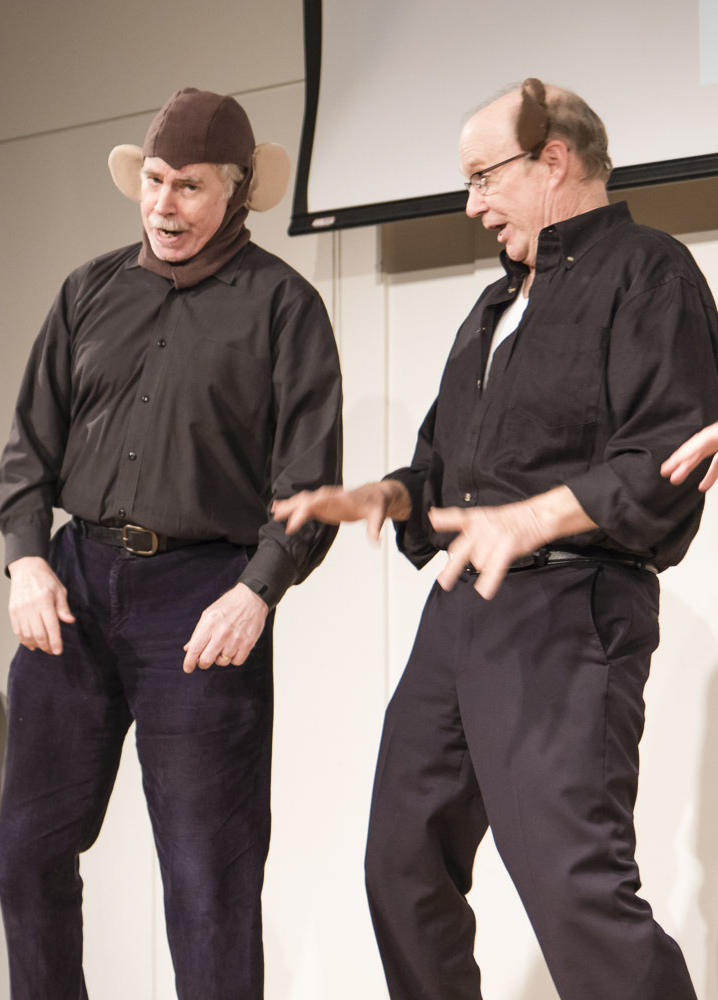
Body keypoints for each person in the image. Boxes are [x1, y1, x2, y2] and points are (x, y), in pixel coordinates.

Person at [274, 79, 718, 999]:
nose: (471, 204)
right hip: (463, 615)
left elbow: (668, 455)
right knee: (402, 864)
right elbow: (446, 468)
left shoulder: (649, 271)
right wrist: (385, 496)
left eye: (484, 177)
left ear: (553, 158)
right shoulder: (494, 308)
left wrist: (532, 516)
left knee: (572, 887)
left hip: (571, 608)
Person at [0, 87, 343, 998]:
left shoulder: (283, 307)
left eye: (188, 186)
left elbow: (307, 484)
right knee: (26, 852)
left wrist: (258, 590)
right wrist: (27, 557)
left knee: (207, 878)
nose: (164, 205)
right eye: (153, 182)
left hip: (203, 592)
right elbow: (29, 446)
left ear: (233, 193)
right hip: (73, 584)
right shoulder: (88, 291)